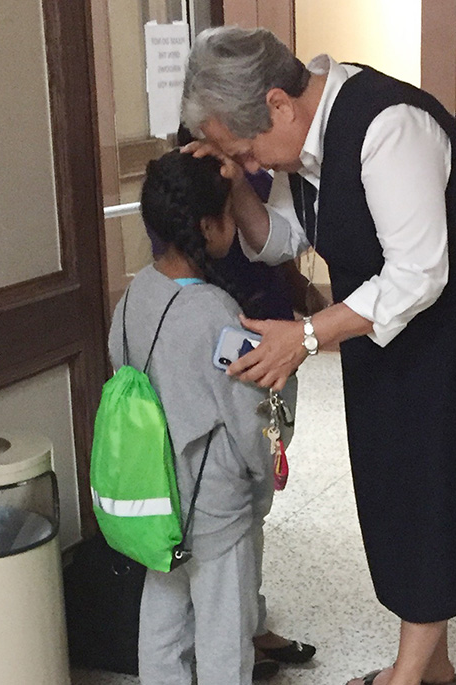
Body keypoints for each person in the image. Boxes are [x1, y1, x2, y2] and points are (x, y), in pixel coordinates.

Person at [180, 27, 456, 685]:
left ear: (278, 104)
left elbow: (418, 273)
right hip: (384, 335)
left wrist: (303, 336)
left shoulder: (389, 126)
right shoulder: (301, 145)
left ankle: (409, 677)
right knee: (401, 495)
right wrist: (236, 183)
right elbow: (285, 237)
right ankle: (432, 668)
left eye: (245, 148)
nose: (253, 161)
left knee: (432, 496)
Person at [107, 150, 311, 685]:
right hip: (215, 506)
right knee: (225, 632)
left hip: (156, 494)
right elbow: (251, 419)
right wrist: (264, 477)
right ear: (208, 226)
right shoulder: (218, 314)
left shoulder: (132, 298)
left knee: (163, 619)